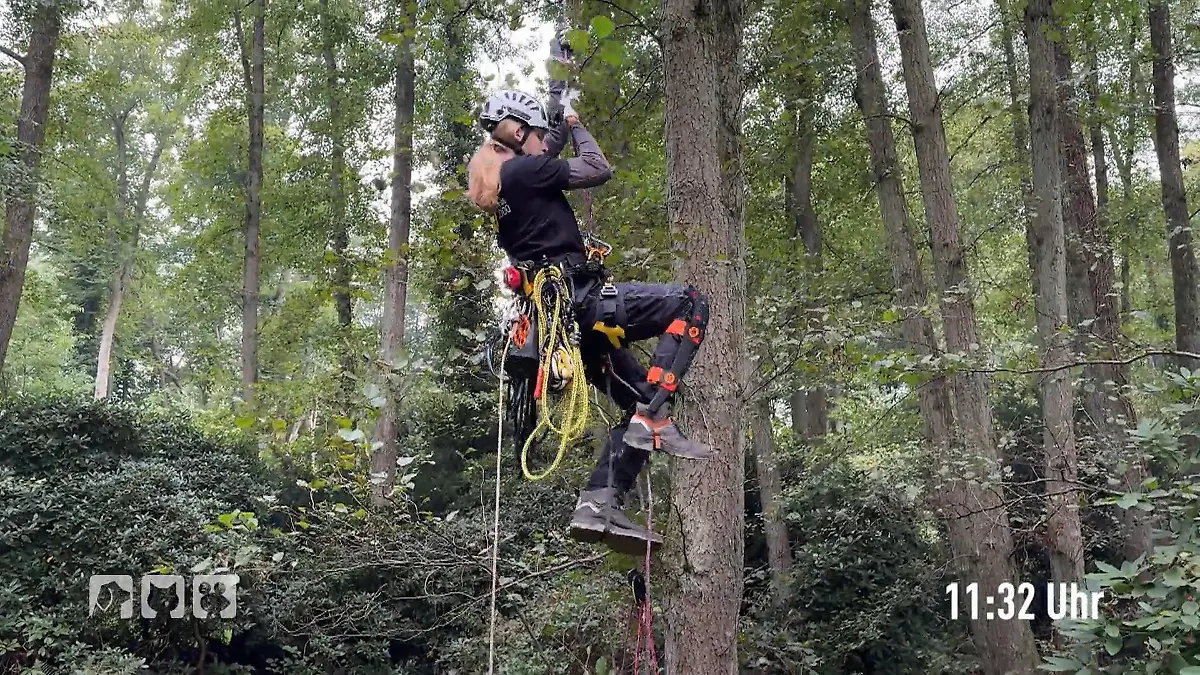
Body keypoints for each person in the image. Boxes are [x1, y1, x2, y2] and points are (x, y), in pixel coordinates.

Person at [464, 36, 711, 556]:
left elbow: (545, 147)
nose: (544, 144)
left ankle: (599, 502)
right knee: (689, 302)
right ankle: (650, 422)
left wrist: (556, 92)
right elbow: (595, 167)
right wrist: (574, 120)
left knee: (642, 398)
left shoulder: (509, 181)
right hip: (582, 303)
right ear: (516, 132)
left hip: (565, 328)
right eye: (535, 136)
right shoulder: (523, 170)